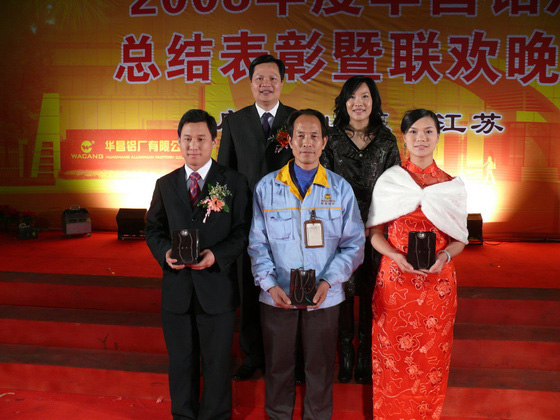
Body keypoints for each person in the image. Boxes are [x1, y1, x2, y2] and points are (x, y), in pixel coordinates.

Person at [248, 109, 365, 419]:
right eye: (300, 135)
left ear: (325, 142)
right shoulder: (267, 187)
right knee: (278, 367)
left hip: (324, 297)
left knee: (320, 368)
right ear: (289, 141)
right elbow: (257, 244)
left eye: (315, 136)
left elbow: (354, 245)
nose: (307, 143)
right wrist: (269, 284)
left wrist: (329, 281)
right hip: (278, 296)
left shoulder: (340, 189)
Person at [146, 109, 251, 420]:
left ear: (214, 142)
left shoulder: (233, 182)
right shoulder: (165, 184)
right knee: (181, 361)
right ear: (179, 141)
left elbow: (243, 230)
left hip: (216, 288)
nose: (193, 145)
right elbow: (153, 229)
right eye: (187, 139)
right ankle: (183, 415)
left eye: (201, 139)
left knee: (217, 362)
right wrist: (165, 252)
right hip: (177, 290)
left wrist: (216, 256)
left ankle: (216, 416)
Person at [366, 109, 468, 419]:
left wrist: (444, 256)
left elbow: (460, 240)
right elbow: (375, 235)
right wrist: (396, 256)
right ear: (404, 137)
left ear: (438, 137)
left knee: (431, 357)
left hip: (437, 285)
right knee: (391, 355)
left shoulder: (450, 185)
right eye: (413, 132)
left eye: (428, 132)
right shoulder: (391, 181)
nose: (420, 138)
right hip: (396, 282)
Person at [218, 54, 297, 381]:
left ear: (282, 83)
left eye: (272, 78)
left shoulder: (296, 120)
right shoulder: (234, 122)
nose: (266, 84)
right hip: (248, 221)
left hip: (289, 220)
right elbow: (224, 174)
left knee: (287, 284)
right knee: (250, 288)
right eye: (259, 79)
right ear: (250, 84)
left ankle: (286, 355)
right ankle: (251, 355)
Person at [320, 75, 401, 384]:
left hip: (376, 228)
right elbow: (323, 184)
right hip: (339, 228)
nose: (359, 103)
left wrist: (375, 224)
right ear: (344, 102)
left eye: (365, 96)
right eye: (352, 97)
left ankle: (366, 353)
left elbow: (395, 187)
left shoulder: (386, 140)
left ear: (374, 102)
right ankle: (345, 352)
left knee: (371, 290)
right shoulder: (331, 139)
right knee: (341, 288)